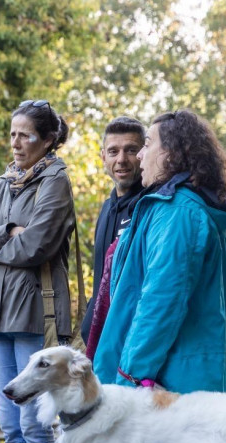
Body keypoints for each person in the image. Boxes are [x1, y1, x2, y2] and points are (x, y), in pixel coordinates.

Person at [93, 110, 226, 394]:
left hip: (167, 387)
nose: (140, 156)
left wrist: (132, 377)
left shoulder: (177, 212)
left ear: (170, 153)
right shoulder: (175, 207)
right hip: (174, 379)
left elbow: (161, 300)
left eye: (147, 144)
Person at [0, 99, 75, 443]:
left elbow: (36, 246)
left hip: (37, 312)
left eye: (25, 136)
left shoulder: (55, 181)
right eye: (12, 134)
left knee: (35, 424)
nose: (15, 143)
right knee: (11, 426)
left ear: (47, 140)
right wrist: (7, 231)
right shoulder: (5, 180)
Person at [81, 117, 145, 359]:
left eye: (131, 150)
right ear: (103, 158)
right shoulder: (107, 208)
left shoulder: (150, 207)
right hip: (100, 344)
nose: (121, 159)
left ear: (144, 154)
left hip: (131, 347)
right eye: (113, 151)